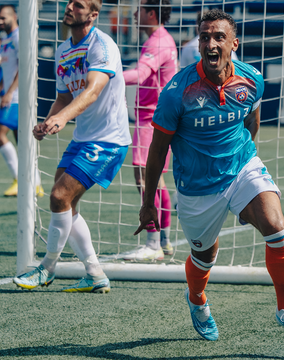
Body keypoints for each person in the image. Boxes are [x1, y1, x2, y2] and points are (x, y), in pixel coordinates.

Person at [135, 9, 284, 348]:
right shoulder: (177, 92)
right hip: (198, 188)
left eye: (218, 37)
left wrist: (246, 165)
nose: (210, 43)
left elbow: (252, 122)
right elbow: (157, 150)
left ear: (234, 43)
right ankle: (197, 299)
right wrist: (148, 204)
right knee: (204, 257)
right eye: (205, 37)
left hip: (241, 166)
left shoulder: (252, 79)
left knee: (276, 226)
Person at [13, 0, 131, 293]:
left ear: (92, 15)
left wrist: (63, 119)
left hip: (108, 140)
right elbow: (64, 98)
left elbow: (92, 91)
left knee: (58, 195)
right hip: (84, 137)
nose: (69, 7)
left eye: (77, 4)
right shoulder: (64, 50)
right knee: (66, 204)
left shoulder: (102, 46)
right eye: (68, 2)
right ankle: (94, 273)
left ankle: (47, 269)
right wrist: (49, 120)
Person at [121, 0, 177, 261]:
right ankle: (163, 241)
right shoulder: (161, 38)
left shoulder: (158, 41)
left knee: (146, 180)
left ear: (151, 13)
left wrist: (106, 76)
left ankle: (153, 243)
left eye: (139, 9)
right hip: (155, 117)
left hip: (153, 118)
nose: (134, 14)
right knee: (154, 181)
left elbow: (141, 74)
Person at [0, 5, 43, 197]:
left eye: (4, 18)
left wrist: (8, 93)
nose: (0, 21)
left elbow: (24, 68)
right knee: (22, 141)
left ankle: (19, 179)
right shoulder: (7, 39)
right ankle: (37, 185)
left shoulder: (18, 37)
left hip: (18, 97)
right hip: (12, 94)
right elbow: (7, 73)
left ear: (14, 16)